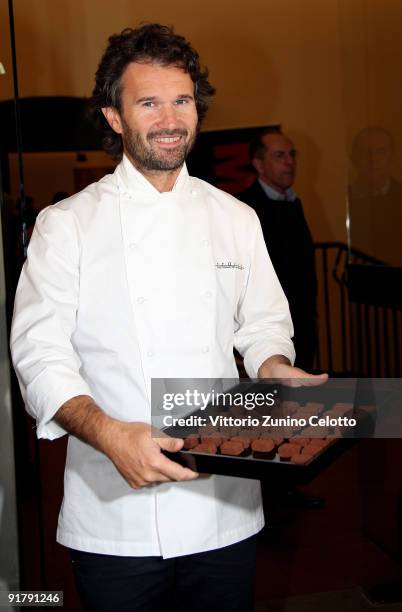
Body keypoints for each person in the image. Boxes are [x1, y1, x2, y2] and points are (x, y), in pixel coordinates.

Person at [10, 24, 326, 612]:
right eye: (148, 102)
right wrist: (109, 434)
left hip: (223, 506)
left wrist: (276, 367)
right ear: (113, 116)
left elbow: (260, 324)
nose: (170, 119)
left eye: (181, 100)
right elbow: (38, 353)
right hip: (114, 512)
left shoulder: (234, 216)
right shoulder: (68, 225)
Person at [237, 127, 317, 370]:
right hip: (264, 333)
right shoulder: (242, 208)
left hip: (302, 324)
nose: (290, 162)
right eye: (279, 156)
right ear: (259, 164)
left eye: (292, 154)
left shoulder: (293, 202)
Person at [349, 126, 402, 266]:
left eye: (381, 152)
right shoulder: (343, 201)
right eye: (365, 152)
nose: (373, 159)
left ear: (391, 156)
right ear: (354, 157)